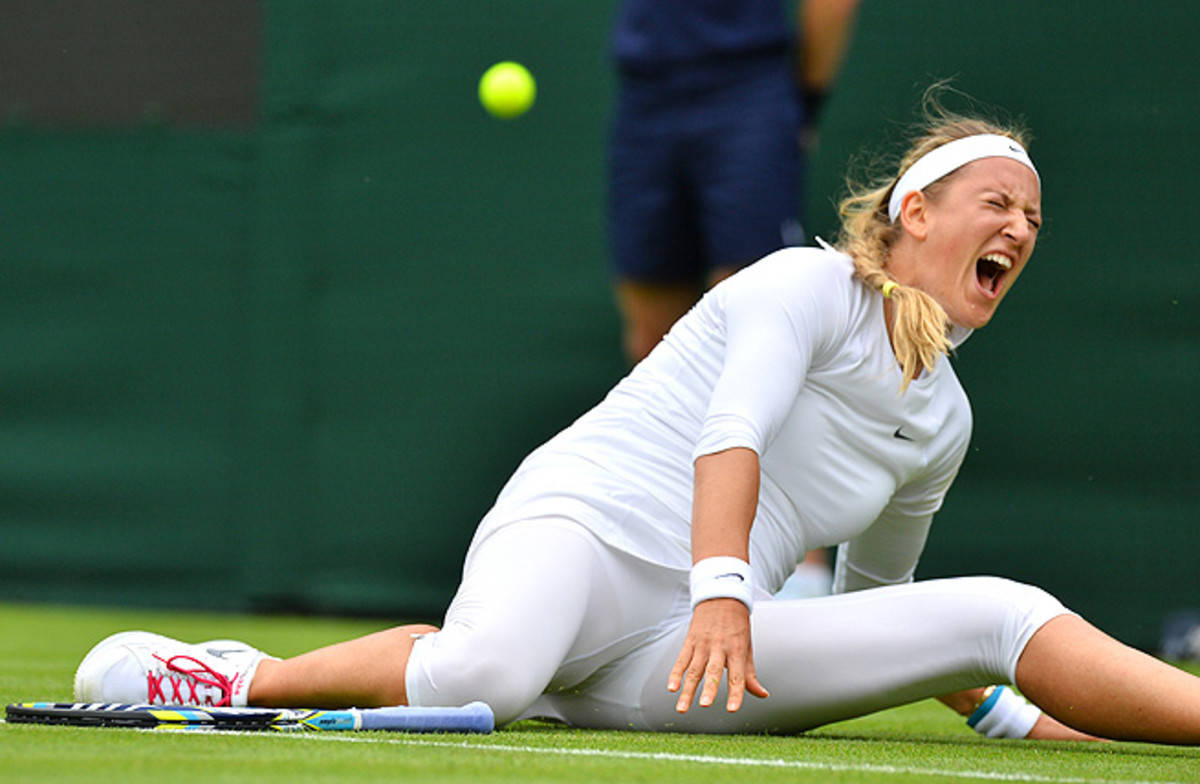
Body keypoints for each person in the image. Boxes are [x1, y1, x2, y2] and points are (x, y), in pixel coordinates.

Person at [75, 94, 1200, 745]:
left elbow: (877, 609)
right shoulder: (801, 285)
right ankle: (234, 678)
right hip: (585, 529)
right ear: (915, 212)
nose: (1021, 226)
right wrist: (726, 594)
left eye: (1035, 218)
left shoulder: (943, 418)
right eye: (997, 201)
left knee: (998, 608)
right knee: (490, 679)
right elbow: (735, 434)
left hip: (695, 644)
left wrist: (1024, 719)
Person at [608, 0, 861, 364]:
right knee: (652, 343)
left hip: (746, 87)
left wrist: (807, 103)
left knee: (754, 322)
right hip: (644, 91)